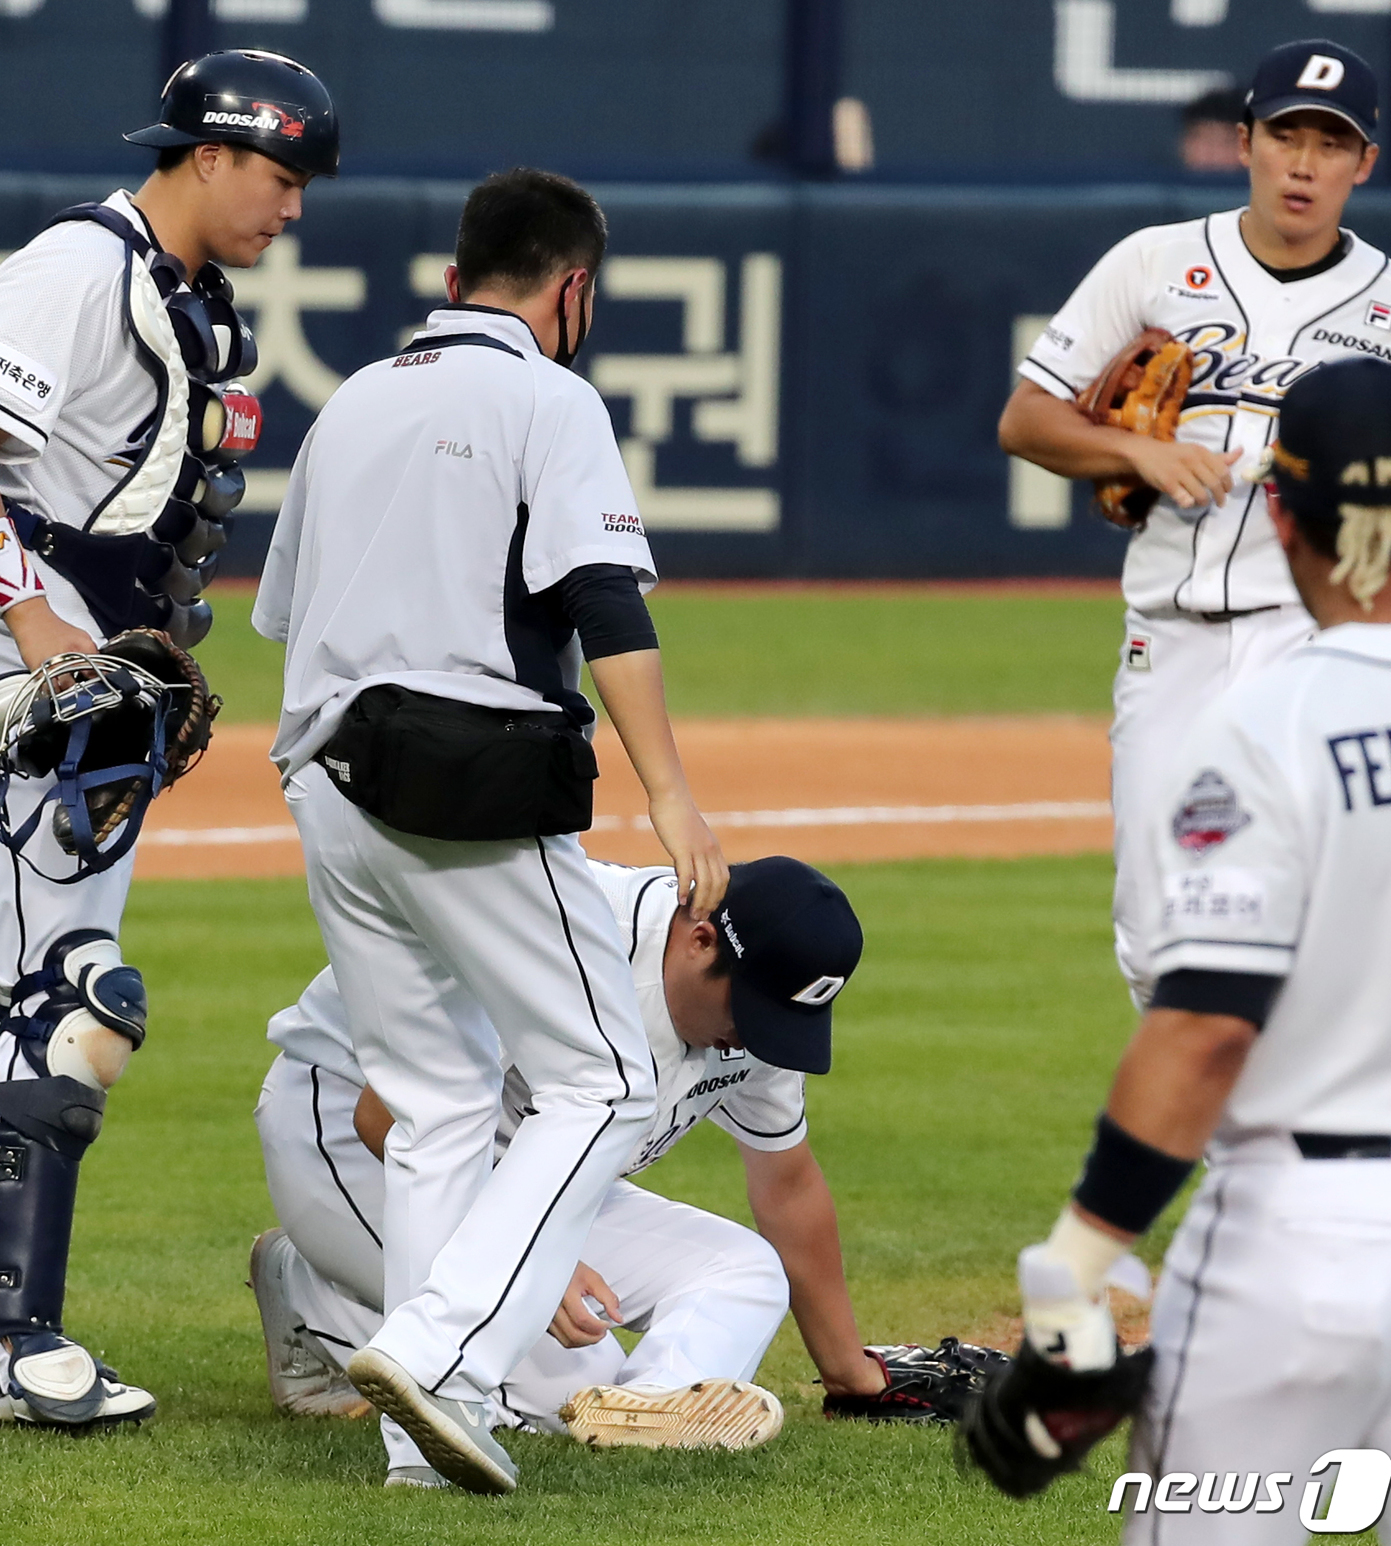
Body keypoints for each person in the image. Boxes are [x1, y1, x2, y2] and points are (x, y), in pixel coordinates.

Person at [251, 168, 728, 1495]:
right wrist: (673, 795)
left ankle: (419, 1445)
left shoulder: (351, 398)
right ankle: (438, 1341)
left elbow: (283, 615)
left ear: (456, 278)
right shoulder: (551, 396)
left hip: (327, 776)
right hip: (462, 780)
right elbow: (602, 604)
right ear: (573, 288)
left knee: (442, 1102)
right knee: (606, 1082)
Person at [968, 357, 1391, 1540]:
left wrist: (1077, 1259)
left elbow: (1207, 1016)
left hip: (1293, 1247)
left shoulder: (1261, 729)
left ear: (1276, 512)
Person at [0, 48, 337, 1431]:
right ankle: (16, 1340)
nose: (293, 208)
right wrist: (29, 624)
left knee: (56, 1004)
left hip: (89, 688)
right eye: (280, 174)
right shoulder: (80, 269)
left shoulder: (186, 293)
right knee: (63, 1002)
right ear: (209, 155)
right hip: (32, 670)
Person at [250, 856, 950, 1484]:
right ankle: (316, 1296)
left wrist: (851, 1374)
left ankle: (644, 1416)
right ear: (699, 939)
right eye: (753, 1010)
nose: (755, 1038)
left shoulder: (748, 1022)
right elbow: (388, 1116)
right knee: (539, 1395)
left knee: (745, 1273)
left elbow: (788, 1186)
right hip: (344, 1134)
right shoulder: (568, 935)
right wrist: (524, 1255)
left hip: (523, 1174)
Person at [1000, 38, 1391, 1008]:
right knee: (1150, 934)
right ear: (1244, 142)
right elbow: (1026, 419)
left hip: (1315, 643)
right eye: (1284, 135)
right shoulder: (1153, 262)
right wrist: (1136, 451)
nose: (1302, 163)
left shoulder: (1389, 305)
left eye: (1328, 142)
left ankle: (1294, 1151)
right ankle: (1229, 1150)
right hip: (1168, 638)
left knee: (1322, 917)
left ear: (1363, 163)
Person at [1178, 87, 1247, 174]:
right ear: (1185, 144)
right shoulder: (1161, 184)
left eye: (1227, 142)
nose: (1215, 153)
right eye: (1206, 139)